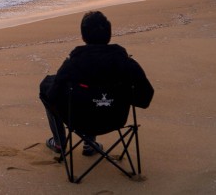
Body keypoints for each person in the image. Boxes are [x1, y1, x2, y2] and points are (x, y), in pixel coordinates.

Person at [39, 10, 154, 156]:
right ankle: (90, 143)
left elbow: (52, 96)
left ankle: (59, 143)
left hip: (79, 119)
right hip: (115, 119)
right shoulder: (126, 63)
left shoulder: (73, 63)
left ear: (83, 36)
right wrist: (119, 95)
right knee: (91, 90)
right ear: (109, 35)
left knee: (46, 87)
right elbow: (145, 98)